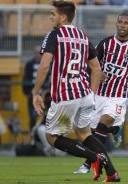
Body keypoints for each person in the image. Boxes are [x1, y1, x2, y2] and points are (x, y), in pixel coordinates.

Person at [32, 0, 119, 182]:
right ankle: (112, 173)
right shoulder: (82, 36)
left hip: (66, 96)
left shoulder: (54, 35)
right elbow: (96, 68)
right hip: (85, 95)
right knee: (85, 134)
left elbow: (44, 66)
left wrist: (35, 93)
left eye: (53, 14)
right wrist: (93, 96)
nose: (50, 17)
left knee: (52, 137)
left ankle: (93, 157)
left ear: (63, 17)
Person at [74, 11, 128, 174]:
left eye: (126, 23)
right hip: (99, 94)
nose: (122, 25)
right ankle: (114, 130)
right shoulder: (105, 44)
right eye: (120, 22)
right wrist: (99, 73)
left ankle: (88, 163)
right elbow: (91, 65)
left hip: (119, 96)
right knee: (91, 133)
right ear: (116, 24)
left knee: (102, 125)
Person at [22, 45, 43, 131]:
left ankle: (43, 139)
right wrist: (28, 92)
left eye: (40, 53)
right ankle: (32, 141)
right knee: (33, 119)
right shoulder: (29, 65)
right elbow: (25, 79)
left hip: (44, 97)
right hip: (33, 97)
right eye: (37, 53)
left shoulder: (46, 64)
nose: (39, 55)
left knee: (45, 119)